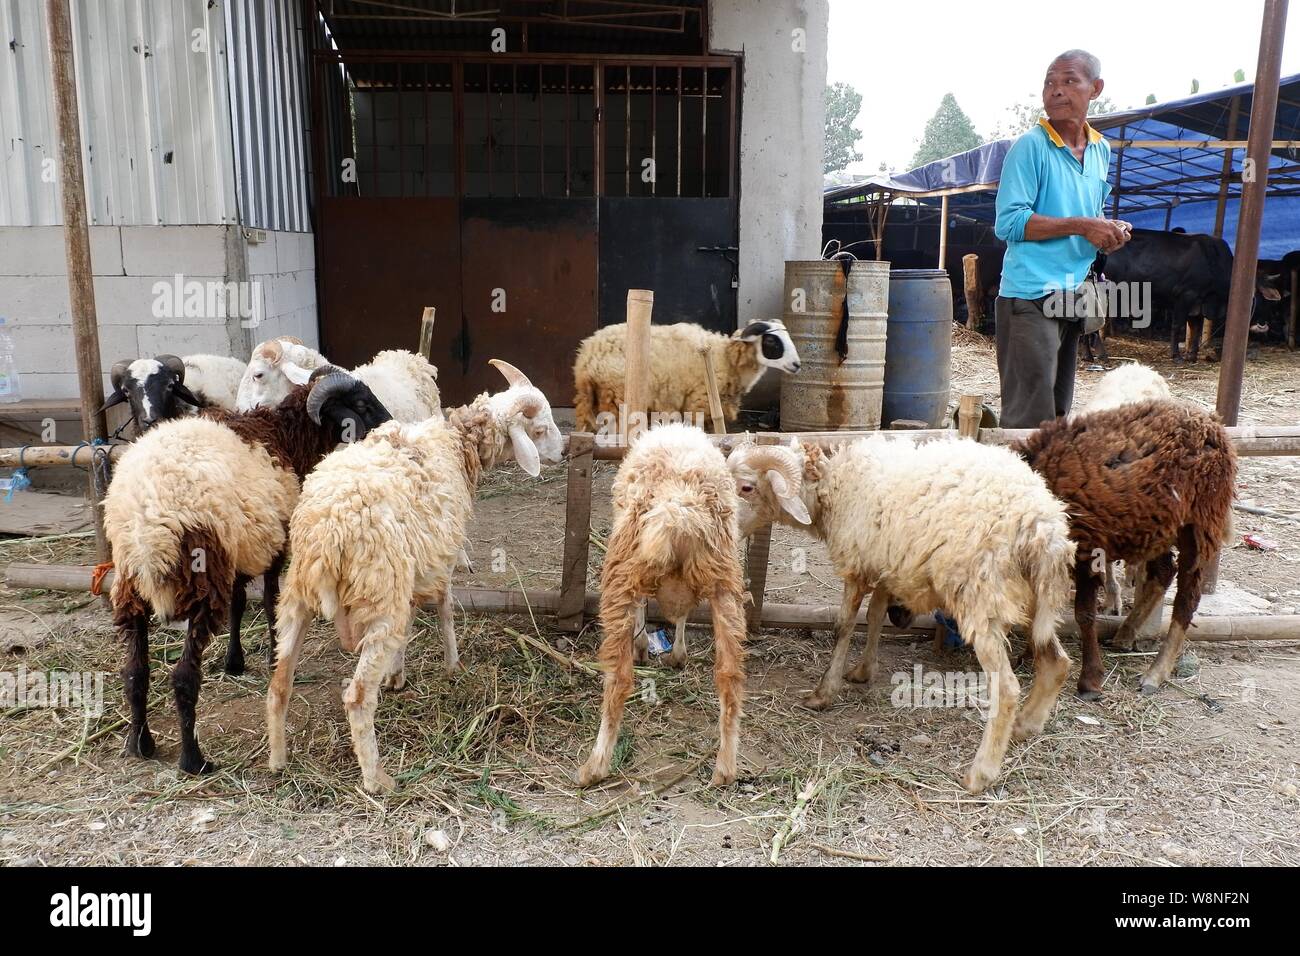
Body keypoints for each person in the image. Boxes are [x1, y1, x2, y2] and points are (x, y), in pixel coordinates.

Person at [993, 49, 1130, 428]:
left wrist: (1107, 227)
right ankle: (1013, 486)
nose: (1056, 90)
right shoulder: (1030, 147)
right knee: (1028, 418)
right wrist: (1084, 226)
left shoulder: (1100, 149)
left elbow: (1089, 212)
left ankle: (1046, 485)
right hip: (1030, 295)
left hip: (1074, 293)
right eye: (1050, 82)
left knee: (1057, 411)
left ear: (1096, 88)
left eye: (1069, 81)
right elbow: (1008, 223)